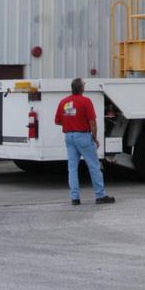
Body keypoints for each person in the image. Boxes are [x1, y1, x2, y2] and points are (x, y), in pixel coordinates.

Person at [54, 78, 115, 206]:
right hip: (82, 136)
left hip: (69, 137)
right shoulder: (85, 101)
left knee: (72, 168)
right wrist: (95, 137)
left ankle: (75, 197)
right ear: (82, 88)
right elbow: (92, 122)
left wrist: (70, 124)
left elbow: (58, 121)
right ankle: (100, 195)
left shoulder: (64, 102)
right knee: (94, 166)